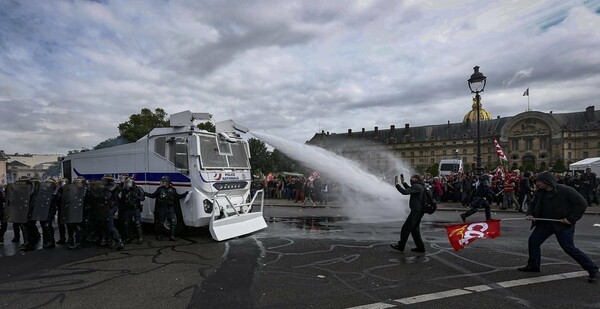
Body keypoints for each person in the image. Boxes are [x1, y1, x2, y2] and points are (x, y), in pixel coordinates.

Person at [518, 172, 599, 283]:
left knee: (568, 248)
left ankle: (592, 269)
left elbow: (582, 204)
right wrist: (530, 214)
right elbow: (532, 203)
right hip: (545, 223)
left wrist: (570, 219)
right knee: (533, 241)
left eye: (539, 181)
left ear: (547, 181)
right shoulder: (539, 192)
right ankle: (533, 265)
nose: (537, 184)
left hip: (563, 224)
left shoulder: (565, 190)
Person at [390, 174, 426, 253]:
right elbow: (410, 189)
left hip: (416, 211)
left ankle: (401, 246)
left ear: (416, 179)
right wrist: (403, 183)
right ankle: (420, 247)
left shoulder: (417, 186)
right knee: (414, 230)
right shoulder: (420, 186)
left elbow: (405, 192)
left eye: (412, 178)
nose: (411, 179)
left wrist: (397, 185)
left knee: (405, 228)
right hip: (419, 211)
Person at [145, 176, 188, 241]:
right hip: (162, 208)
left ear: (167, 182)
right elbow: (153, 195)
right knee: (161, 223)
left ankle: (172, 236)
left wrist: (185, 194)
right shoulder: (159, 189)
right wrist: (145, 193)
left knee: (173, 222)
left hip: (170, 208)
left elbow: (177, 197)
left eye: (164, 181)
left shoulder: (173, 189)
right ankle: (159, 235)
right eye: (162, 181)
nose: (162, 183)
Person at [119, 178, 145, 244]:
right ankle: (128, 237)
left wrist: (136, 196)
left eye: (128, 185)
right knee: (126, 224)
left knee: (137, 223)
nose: (127, 186)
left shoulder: (138, 189)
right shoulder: (124, 191)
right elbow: (120, 198)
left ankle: (140, 238)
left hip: (135, 208)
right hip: (127, 209)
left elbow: (142, 198)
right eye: (126, 185)